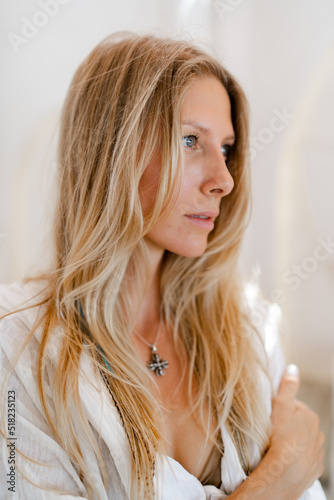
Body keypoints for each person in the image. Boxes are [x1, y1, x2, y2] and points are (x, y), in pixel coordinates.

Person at [0, 32, 326, 499]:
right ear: (112, 151)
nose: (224, 180)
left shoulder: (248, 331)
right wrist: (280, 477)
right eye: (191, 140)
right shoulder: (18, 350)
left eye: (227, 148)